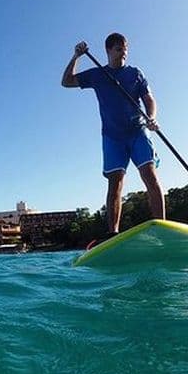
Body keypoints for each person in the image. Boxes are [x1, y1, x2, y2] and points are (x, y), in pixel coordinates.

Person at [61, 32, 165, 237]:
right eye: (119, 49)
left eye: (125, 49)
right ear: (108, 50)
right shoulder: (97, 74)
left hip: (138, 132)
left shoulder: (135, 73)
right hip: (112, 137)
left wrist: (151, 117)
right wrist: (76, 57)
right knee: (115, 183)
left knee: (150, 176)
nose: (123, 52)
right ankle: (113, 233)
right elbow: (66, 81)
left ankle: (162, 227)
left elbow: (149, 99)